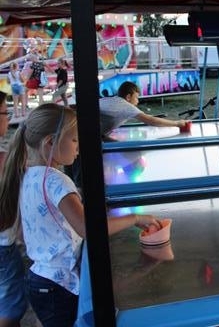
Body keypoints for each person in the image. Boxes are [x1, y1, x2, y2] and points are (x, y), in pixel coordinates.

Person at [0, 103, 161, 326]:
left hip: (41, 279)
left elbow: (32, 227)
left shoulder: (28, 175)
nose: (79, 147)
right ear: (50, 142)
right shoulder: (56, 181)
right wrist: (135, 218)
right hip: (59, 286)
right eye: (75, 140)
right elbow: (88, 229)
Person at [0, 91, 28, 327]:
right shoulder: (4, 161)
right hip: (3, 246)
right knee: (12, 304)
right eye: (5, 113)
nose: (7, 119)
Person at [99, 81, 187, 139]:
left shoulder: (113, 101)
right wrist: (177, 123)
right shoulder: (125, 105)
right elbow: (151, 120)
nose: (138, 101)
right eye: (136, 97)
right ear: (128, 97)